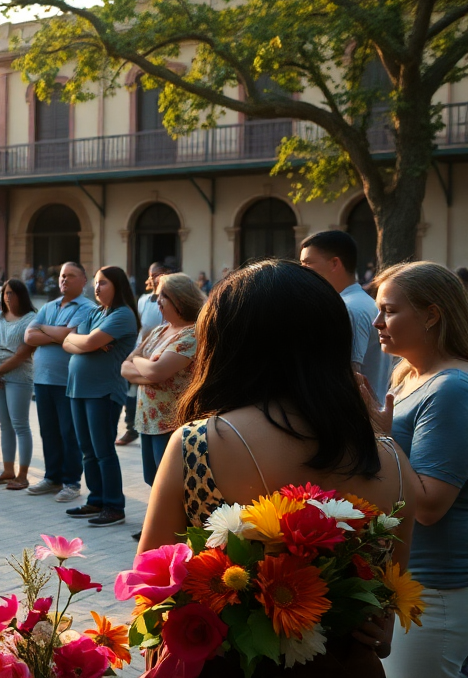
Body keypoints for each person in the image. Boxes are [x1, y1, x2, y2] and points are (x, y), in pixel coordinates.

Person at [141, 259, 414, 674]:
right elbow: (386, 607)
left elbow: (152, 583)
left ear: (228, 342)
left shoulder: (198, 444)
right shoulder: (391, 458)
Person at [364, 262, 468, 677]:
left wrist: (382, 437)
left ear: (431, 314)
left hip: (434, 587)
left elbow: (428, 506)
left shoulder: (451, 388)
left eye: (389, 310)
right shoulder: (408, 375)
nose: (376, 322)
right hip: (405, 576)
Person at [62, 266, 139, 528]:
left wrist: (84, 342)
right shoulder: (96, 312)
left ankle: (114, 506)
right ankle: (96, 499)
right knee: (87, 450)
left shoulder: (123, 315)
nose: (96, 288)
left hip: (103, 392)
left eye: (103, 283)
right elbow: (67, 340)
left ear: (117, 286)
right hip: (78, 389)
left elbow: (83, 342)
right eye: (95, 283)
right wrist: (85, 341)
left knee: (103, 450)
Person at [121, 272, 203, 510]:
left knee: (171, 483)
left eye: (163, 297)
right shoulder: (159, 331)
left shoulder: (192, 334)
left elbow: (156, 371)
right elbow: (125, 366)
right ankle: (161, 523)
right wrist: (148, 368)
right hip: (148, 419)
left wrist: (145, 367)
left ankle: (173, 530)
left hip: (172, 422)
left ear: (180, 299)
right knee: (152, 478)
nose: (157, 302)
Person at [24, 262, 96, 503]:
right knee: (49, 431)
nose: (64, 280)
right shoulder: (49, 306)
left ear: (84, 281)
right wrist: (56, 332)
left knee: (69, 432)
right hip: (43, 380)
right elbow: (29, 336)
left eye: (71, 276)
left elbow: (70, 336)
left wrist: (46, 330)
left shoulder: (87, 307)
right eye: (62, 276)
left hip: (67, 381)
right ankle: (51, 477)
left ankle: (71, 482)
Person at [301, 230, 392, 398]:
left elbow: (348, 376)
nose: (302, 271)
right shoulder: (361, 302)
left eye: (307, 263)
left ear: (335, 263)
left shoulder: (349, 309)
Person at [0, 279, 37, 489]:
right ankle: (7, 471)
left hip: (18, 376)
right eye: (5, 293)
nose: (7, 297)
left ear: (21, 295)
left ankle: (22, 476)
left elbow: (24, 353)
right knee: (5, 425)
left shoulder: (31, 319)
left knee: (20, 425)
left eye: (12, 293)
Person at [118, 262, 169, 446]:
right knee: (132, 392)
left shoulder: (170, 299)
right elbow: (140, 327)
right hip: (141, 350)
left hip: (161, 352)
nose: (156, 278)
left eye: (160, 274)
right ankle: (131, 427)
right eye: (152, 274)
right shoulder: (143, 300)